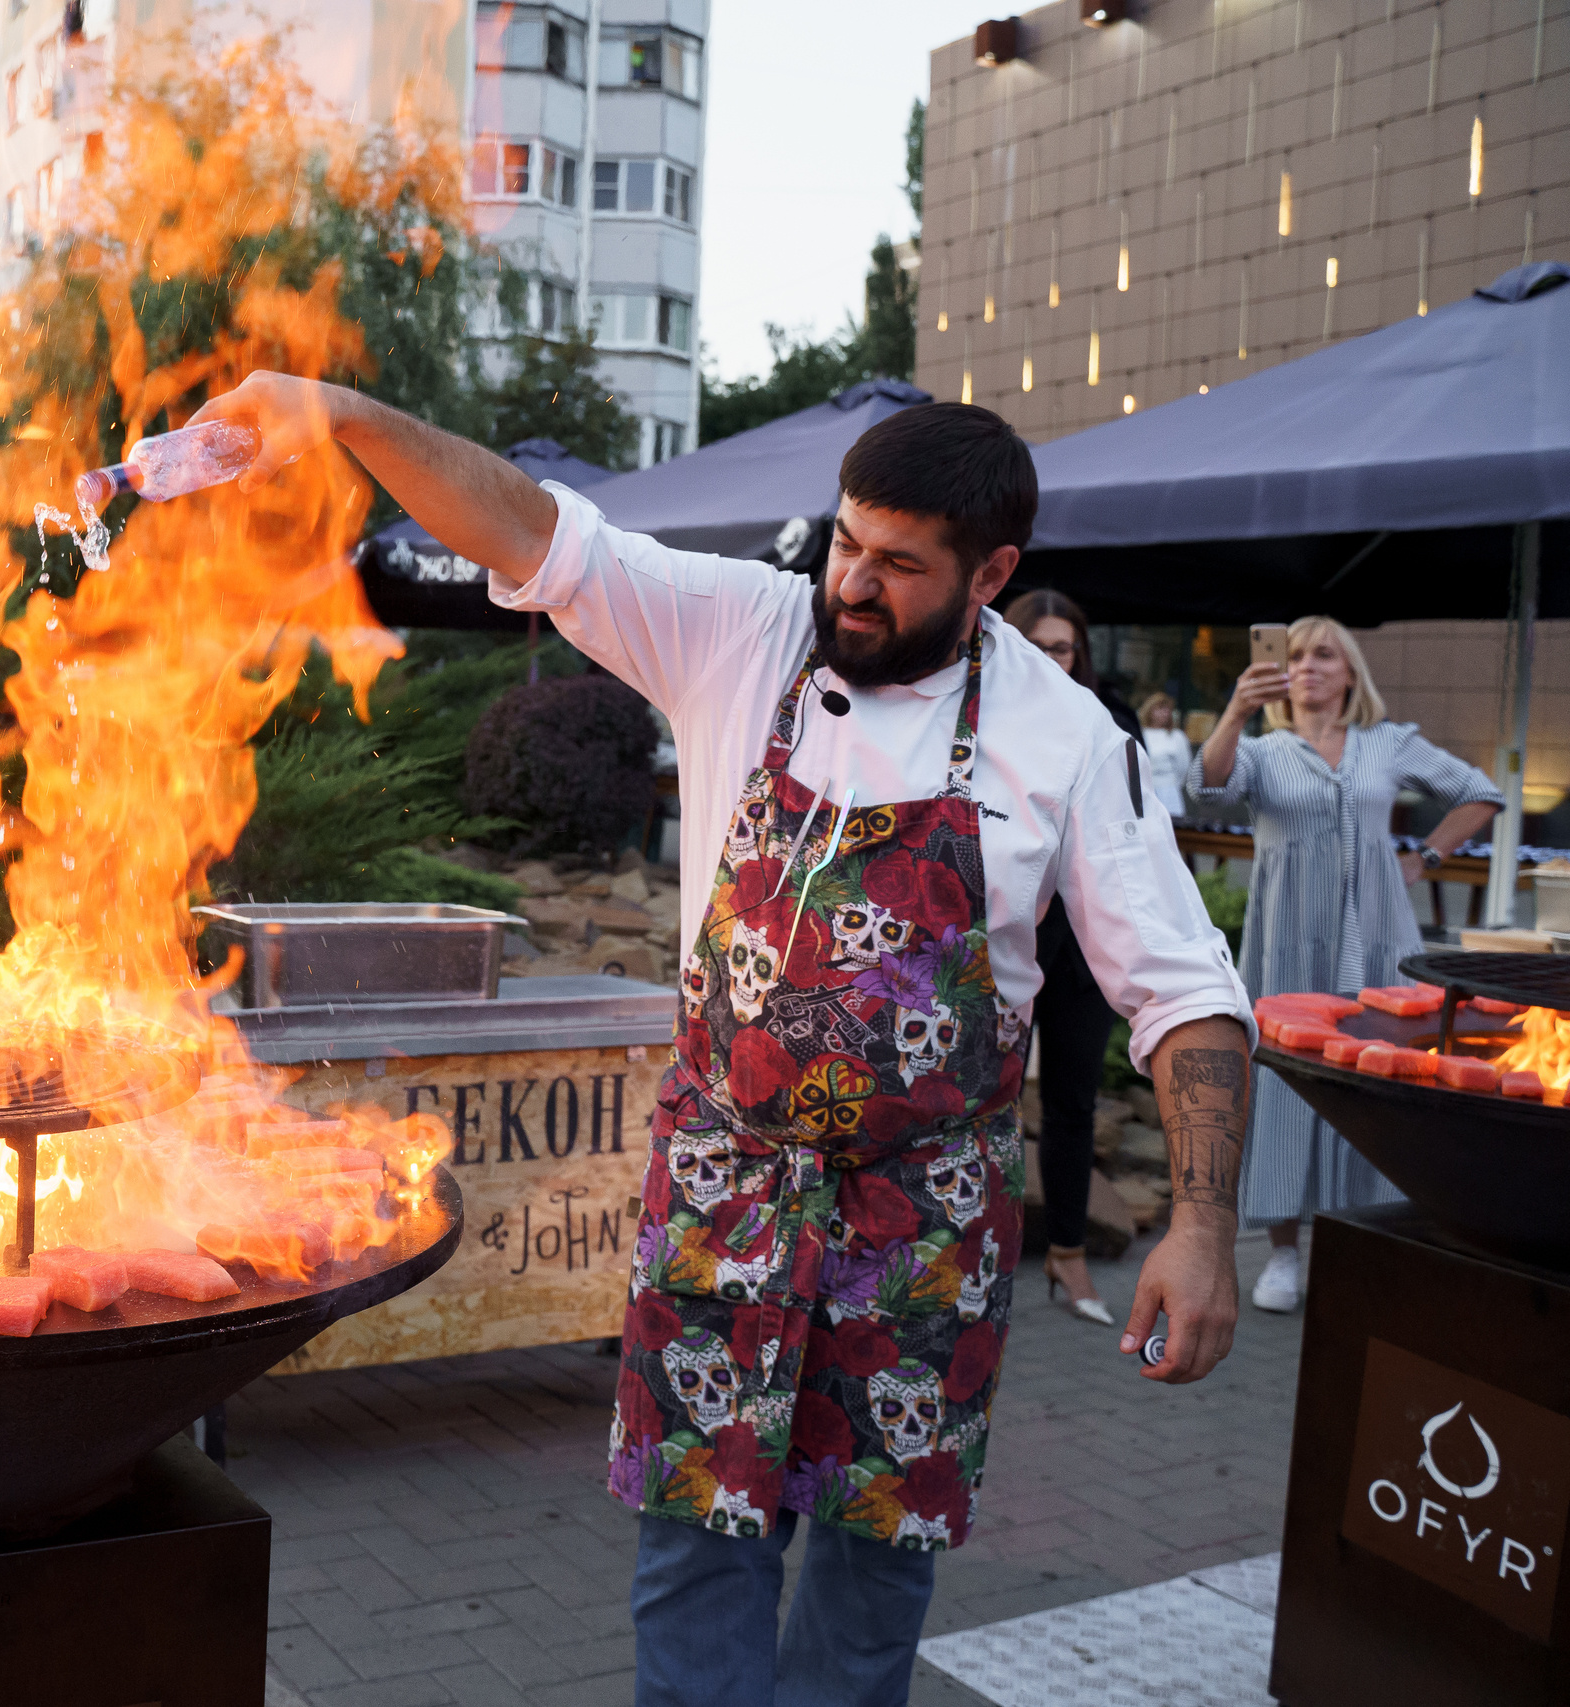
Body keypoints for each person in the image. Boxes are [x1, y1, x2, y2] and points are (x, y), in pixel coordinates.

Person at [191, 377, 1253, 1707]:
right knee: (695, 1544)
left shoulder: (1066, 740)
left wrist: (1203, 1226)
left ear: (992, 573)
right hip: (725, 1189)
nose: (852, 584)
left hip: (924, 1225)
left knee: (871, 1584)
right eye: (848, 542)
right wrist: (341, 410)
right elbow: (535, 531)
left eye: (899, 565)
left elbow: (1182, 986)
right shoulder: (747, 628)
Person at [1192, 615, 1501, 1313]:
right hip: (1288, 943)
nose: (1306, 666)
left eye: (1323, 654)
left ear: (1352, 671)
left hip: (1377, 942)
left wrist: (1424, 857)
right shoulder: (1265, 751)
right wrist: (1236, 709)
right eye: (1295, 655)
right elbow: (1209, 784)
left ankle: (1366, 1236)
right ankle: (1282, 1251)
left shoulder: (1389, 744)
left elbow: (1480, 791)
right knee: (1286, 1080)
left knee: (1377, 1074)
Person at [1000, 590, 1135, 1329]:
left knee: (1072, 1103)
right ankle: (977, 1246)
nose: (1055, 658)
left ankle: (1070, 1250)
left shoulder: (1106, 720)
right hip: (1009, 941)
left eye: (1065, 647)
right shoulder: (985, 718)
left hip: (1082, 948)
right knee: (989, 1096)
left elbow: (1133, 831)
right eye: (1040, 645)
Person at [1137, 693, 1193, 816]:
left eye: (1167, 710)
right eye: (1160, 709)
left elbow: (1184, 766)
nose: (1164, 713)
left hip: (1169, 791)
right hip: (1145, 791)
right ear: (1149, 710)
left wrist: (1170, 784)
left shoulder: (1177, 736)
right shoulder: (1140, 734)